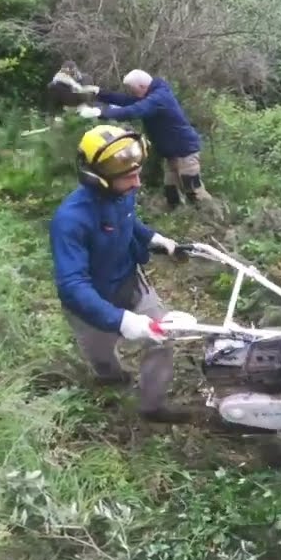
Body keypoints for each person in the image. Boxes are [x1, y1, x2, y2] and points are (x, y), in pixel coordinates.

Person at [48, 122, 191, 424]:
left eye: (137, 173)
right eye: (129, 177)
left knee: (162, 337)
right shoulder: (70, 220)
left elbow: (128, 222)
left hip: (130, 281)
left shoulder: (121, 193)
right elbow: (72, 286)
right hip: (92, 303)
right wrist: (122, 321)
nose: (138, 183)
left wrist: (155, 239)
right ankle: (111, 380)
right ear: (97, 179)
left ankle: (152, 406)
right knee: (102, 358)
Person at [66, 68, 213, 209]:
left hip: (185, 151)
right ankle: (180, 219)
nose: (131, 92)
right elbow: (126, 101)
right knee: (171, 193)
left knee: (193, 190)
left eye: (132, 89)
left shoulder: (159, 98)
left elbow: (135, 110)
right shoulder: (150, 94)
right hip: (171, 153)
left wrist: (100, 112)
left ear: (142, 86)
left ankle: (212, 217)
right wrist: (99, 93)